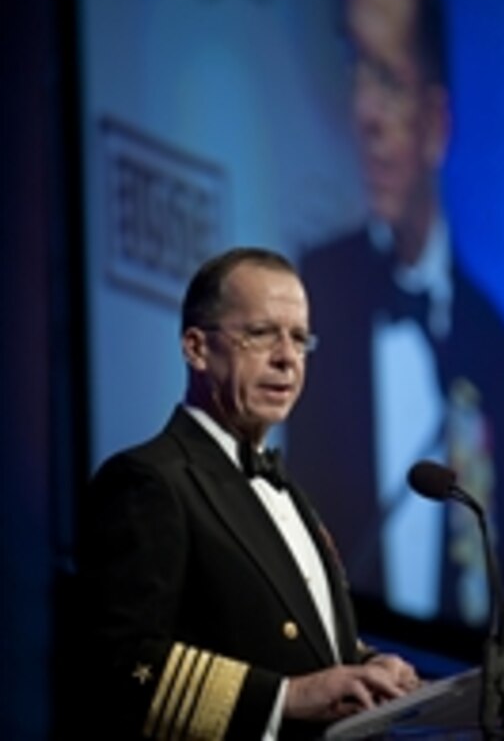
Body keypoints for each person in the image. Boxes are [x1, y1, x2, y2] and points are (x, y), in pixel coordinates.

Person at [288, 0, 504, 631]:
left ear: (436, 123)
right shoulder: (313, 292)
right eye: (355, 68)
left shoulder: (502, 357)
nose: (364, 112)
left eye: (389, 79)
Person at [78, 247, 420, 741]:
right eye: (261, 334)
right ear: (196, 348)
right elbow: (117, 661)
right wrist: (287, 697)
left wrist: (368, 663)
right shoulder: (149, 480)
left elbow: (281, 641)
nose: (287, 359)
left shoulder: (292, 496)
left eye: (300, 339)